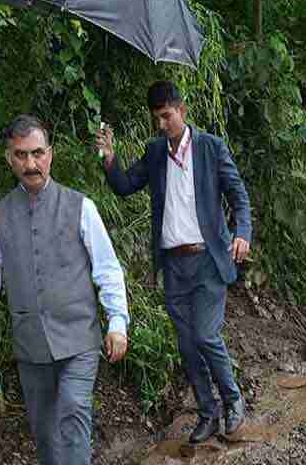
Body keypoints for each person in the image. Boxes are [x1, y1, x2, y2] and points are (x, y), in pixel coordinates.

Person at [0, 115, 129, 465]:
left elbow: (107, 269)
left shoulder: (80, 206)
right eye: (21, 155)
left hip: (80, 335)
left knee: (73, 409)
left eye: (38, 153)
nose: (31, 163)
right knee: (43, 423)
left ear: (50, 155)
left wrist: (117, 322)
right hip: (31, 340)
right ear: (9, 159)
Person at [95, 80, 252, 445]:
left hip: (208, 259)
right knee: (185, 344)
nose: (161, 124)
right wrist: (108, 156)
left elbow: (238, 194)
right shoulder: (154, 153)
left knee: (205, 334)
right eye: (156, 118)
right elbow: (123, 185)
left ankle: (232, 400)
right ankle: (207, 413)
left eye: (166, 116)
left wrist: (241, 231)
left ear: (181, 110)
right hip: (174, 265)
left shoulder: (211, 148)